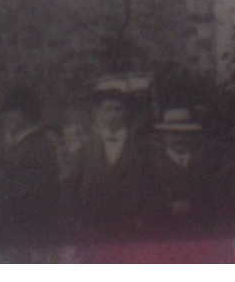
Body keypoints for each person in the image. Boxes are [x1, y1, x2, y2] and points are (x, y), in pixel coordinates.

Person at [0, 86, 61, 250]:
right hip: (16, 232)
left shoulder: (39, 146)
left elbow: (32, 195)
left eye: (13, 112)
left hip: (29, 234)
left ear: (27, 115)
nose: (7, 117)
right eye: (6, 113)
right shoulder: (20, 146)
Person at [73, 88, 150, 241]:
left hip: (132, 225)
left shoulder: (142, 146)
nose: (113, 115)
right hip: (95, 226)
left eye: (118, 110)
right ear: (98, 113)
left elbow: (152, 183)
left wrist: (143, 216)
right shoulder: (86, 147)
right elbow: (73, 183)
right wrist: (80, 217)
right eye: (108, 110)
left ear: (125, 113)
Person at [147, 107, 220, 237]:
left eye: (185, 133)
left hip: (201, 232)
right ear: (163, 135)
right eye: (174, 134)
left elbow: (216, 196)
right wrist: (167, 205)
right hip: (163, 232)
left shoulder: (206, 163)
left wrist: (192, 204)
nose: (180, 139)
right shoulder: (151, 164)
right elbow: (144, 197)